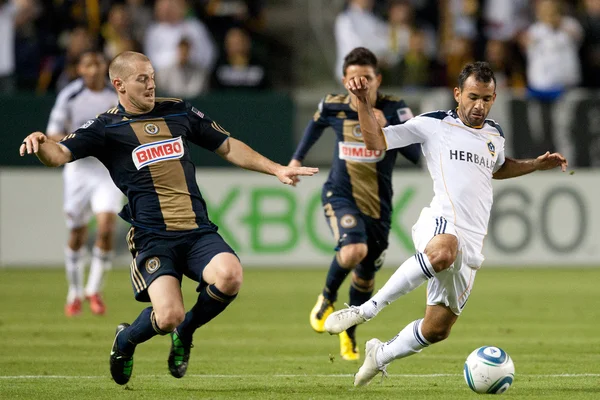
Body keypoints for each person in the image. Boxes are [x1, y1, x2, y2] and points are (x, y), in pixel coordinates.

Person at [19, 51, 318, 385]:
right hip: (153, 238)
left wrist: (277, 169)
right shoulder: (105, 127)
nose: (151, 85)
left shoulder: (178, 109)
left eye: (152, 77)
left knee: (230, 276)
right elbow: (59, 155)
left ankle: (186, 333)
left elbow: (228, 146)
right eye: (141, 79)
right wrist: (41, 142)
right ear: (119, 85)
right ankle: (126, 340)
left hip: (196, 230)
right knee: (169, 315)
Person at [324, 61, 568, 386]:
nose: (479, 106)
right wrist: (366, 105)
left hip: (472, 244)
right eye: (472, 97)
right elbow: (376, 142)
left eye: (486, 98)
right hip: (441, 223)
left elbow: (496, 168)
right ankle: (366, 310)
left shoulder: (495, 133)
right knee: (443, 250)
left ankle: (379, 355)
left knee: (436, 329)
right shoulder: (433, 124)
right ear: (457, 94)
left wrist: (534, 164)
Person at [288, 47, 420, 361]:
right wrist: (295, 160)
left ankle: (348, 332)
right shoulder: (333, 105)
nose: (360, 85)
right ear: (344, 81)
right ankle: (326, 297)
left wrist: (387, 129)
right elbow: (314, 126)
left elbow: (416, 156)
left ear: (379, 80)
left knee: (365, 278)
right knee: (353, 250)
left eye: (367, 79)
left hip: (378, 208)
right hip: (341, 194)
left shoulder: (396, 108)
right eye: (353, 79)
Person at [46, 49, 122, 317]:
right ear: (80, 69)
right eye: (88, 64)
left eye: (99, 63)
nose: (94, 69)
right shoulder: (70, 95)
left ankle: (94, 290)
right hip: (78, 169)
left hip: (106, 170)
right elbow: (52, 133)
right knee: (77, 233)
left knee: (106, 227)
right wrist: (82, 140)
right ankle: (75, 292)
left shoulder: (116, 95)